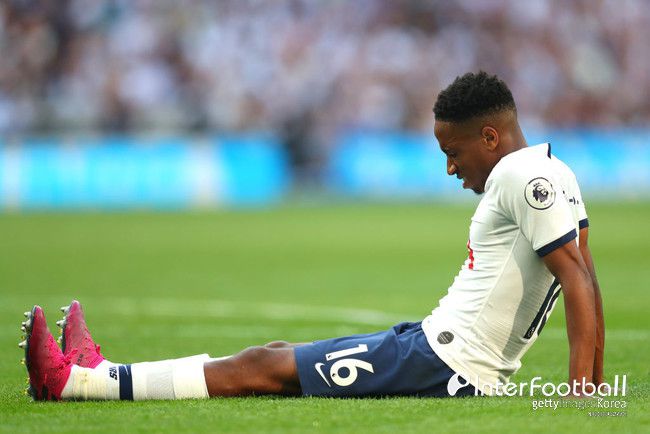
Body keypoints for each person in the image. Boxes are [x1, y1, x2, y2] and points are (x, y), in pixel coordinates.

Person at [19, 71, 604, 401]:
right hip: (433, 347)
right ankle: (96, 370)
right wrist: (596, 391)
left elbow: (576, 280)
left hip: (445, 366)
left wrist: (581, 399)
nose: (451, 168)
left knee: (261, 366)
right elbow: (587, 276)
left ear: (490, 137)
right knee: (276, 353)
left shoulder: (517, 175)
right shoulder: (552, 170)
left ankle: (76, 382)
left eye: (454, 152)